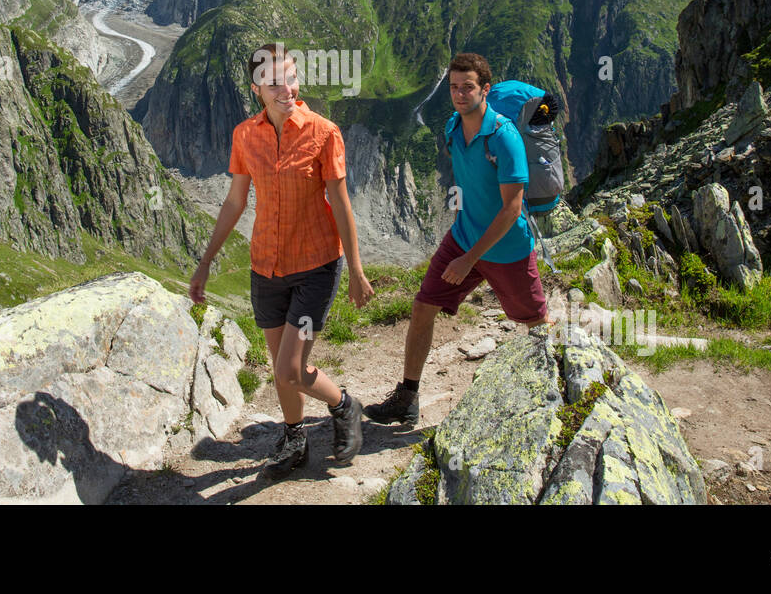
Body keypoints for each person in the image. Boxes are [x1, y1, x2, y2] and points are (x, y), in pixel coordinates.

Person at [190, 42, 374, 478]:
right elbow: (235, 201)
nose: (286, 88)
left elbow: (341, 204)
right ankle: (295, 439)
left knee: (291, 369)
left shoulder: (323, 132)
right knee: (280, 369)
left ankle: (344, 405)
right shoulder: (244, 135)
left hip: (315, 266)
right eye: (274, 82)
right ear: (256, 88)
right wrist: (206, 262)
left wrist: (357, 271)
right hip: (265, 268)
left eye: (291, 77)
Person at [365, 52, 552, 426]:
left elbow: (513, 209)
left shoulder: (504, 138)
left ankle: (549, 397)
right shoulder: (453, 127)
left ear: (485, 89)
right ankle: (408, 397)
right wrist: (462, 232)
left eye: (468, 87)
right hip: (463, 238)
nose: (459, 94)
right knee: (423, 306)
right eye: (453, 87)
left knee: (534, 322)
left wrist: (469, 259)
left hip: (506, 249)